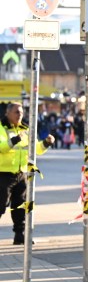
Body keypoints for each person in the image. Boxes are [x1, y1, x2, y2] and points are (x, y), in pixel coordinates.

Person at [0, 103, 48, 245]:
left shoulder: (26, 129)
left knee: (20, 206)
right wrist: (15, 139)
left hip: (21, 173)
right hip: (3, 173)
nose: (19, 115)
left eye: (21, 112)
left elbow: (36, 149)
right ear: (8, 113)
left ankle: (20, 235)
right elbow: (2, 147)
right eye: (16, 112)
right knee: (0, 205)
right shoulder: (1, 127)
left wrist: (46, 143)